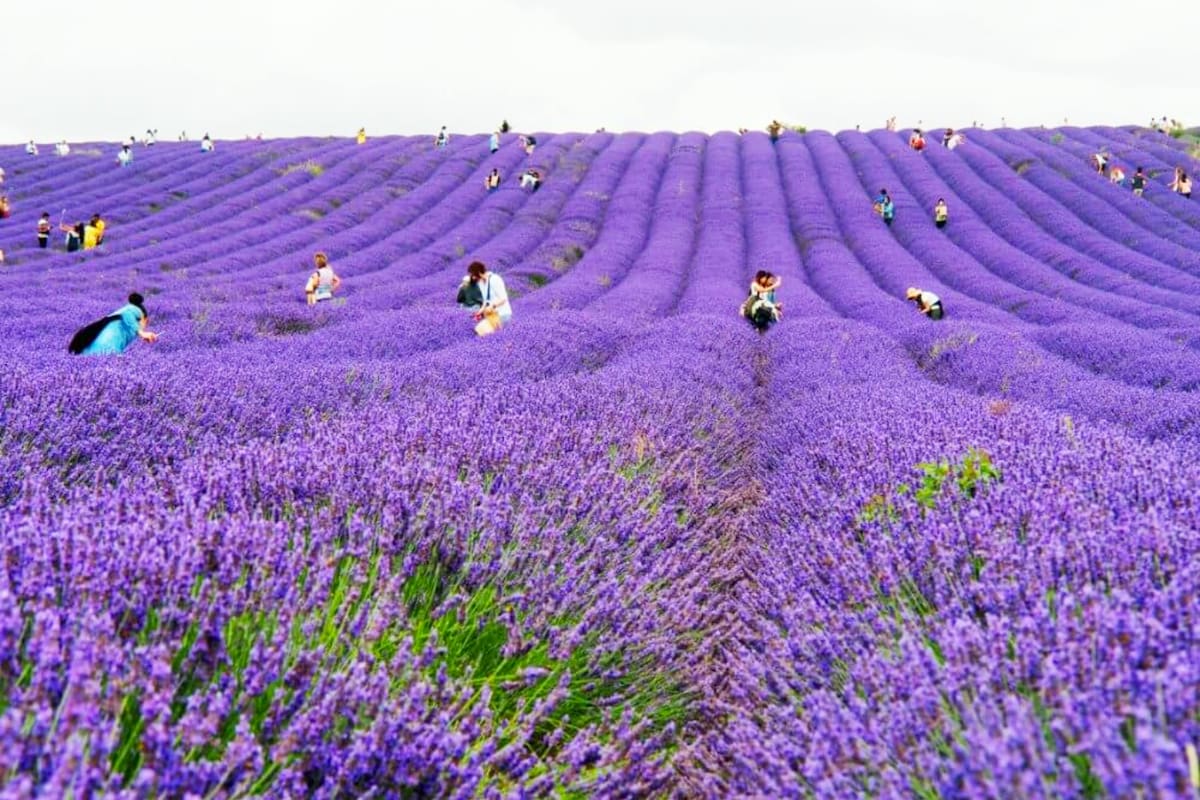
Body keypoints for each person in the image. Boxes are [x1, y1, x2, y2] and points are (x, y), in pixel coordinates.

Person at [68, 292, 159, 355]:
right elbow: (127, 313)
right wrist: (141, 332)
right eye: (146, 323)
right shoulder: (136, 310)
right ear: (145, 319)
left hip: (95, 352)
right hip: (105, 349)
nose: (145, 327)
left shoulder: (127, 324)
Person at [463, 261, 511, 336]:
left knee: (482, 331)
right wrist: (479, 312)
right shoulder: (481, 283)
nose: (473, 278)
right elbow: (486, 301)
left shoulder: (495, 279)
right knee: (478, 330)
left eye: (473, 275)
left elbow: (503, 298)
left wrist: (492, 306)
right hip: (491, 315)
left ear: (479, 272)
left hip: (502, 314)